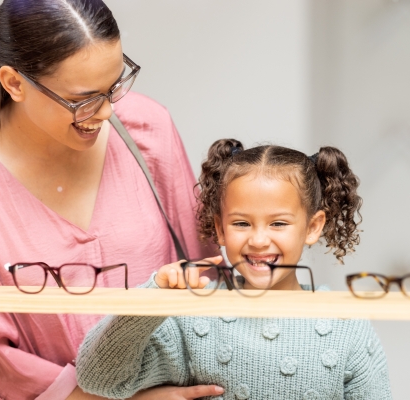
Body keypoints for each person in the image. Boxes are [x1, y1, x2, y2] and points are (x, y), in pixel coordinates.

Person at [0, 1, 224, 399]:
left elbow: (205, 272)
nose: (106, 112)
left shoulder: (147, 128)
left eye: (114, 86)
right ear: (14, 83)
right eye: (82, 99)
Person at [76, 139, 393, 399]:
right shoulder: (194, 317)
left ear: (312, 227)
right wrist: (151, 300)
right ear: (221, 229)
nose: (257, 240)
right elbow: (98, 379)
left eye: (278, 223)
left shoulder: (347, 325)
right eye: (241, 223)